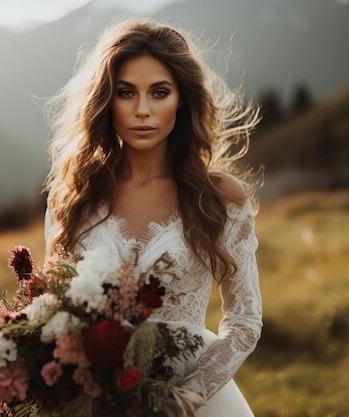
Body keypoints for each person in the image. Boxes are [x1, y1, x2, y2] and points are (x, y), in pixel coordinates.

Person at [43, 18, 262, 417]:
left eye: (159, 92)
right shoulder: (74, 199)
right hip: (96, 399)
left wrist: (184, 400)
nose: (142, 110)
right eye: (126, 93)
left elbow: (245, 321)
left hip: (198, 402)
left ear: (182, 99)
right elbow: (54, 310)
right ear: (106, 100)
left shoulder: (219, 198)